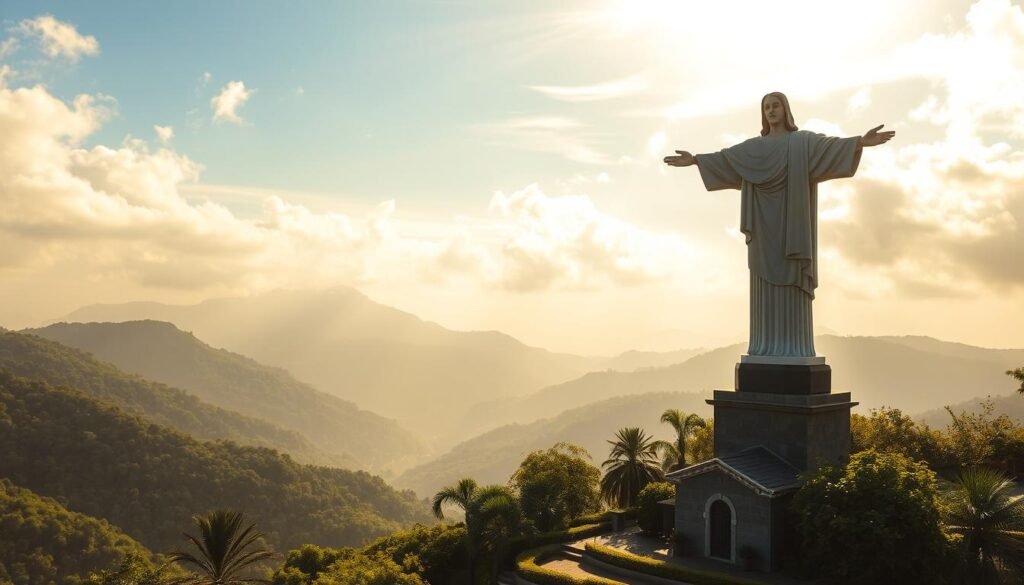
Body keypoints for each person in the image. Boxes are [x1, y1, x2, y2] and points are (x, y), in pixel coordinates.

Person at [664, 92, 894, 358]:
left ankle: (796, 349)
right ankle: (763, 349)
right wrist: (695, 160)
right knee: (764, 292)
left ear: (786, 110)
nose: (771, 111)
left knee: (793, 285)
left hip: (793, 229)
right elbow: (725, 159)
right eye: (766, 107)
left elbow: (830, 148)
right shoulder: (752, 149)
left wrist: (860, 142)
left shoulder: (802, 143)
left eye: (776, 106)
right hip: (763, 233)